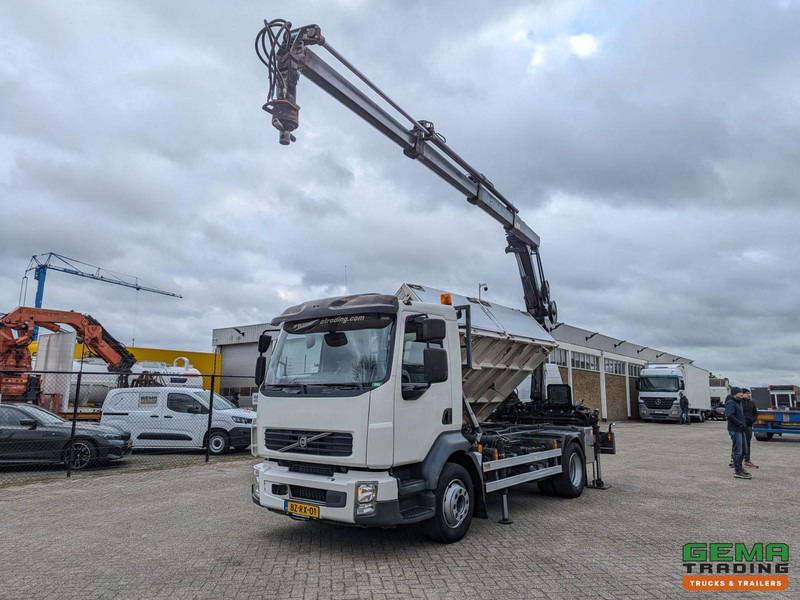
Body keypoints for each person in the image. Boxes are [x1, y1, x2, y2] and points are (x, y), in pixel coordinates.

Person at [725, 387, 751, 479]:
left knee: (744, 450)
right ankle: (737, 470)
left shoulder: (739, 402)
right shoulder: (731, 403)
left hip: (741, 429)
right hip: (735, 429)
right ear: (735, 394)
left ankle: (740, 467)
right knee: (738, 451)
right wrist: (739, 424)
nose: (742, 394)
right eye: (740, 392)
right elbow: (729, 415)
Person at [741, 388, 759, 469]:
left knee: (747, 443)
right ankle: (734, 460)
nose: (749, 395)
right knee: (738, 444)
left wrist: (752, 420)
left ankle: (747, 460)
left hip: (749, 426)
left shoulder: (751, 403)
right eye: (747, 393)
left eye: (749, 393)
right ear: (742, 394)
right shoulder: (739, 403)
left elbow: (755, 413)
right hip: (741, 426)